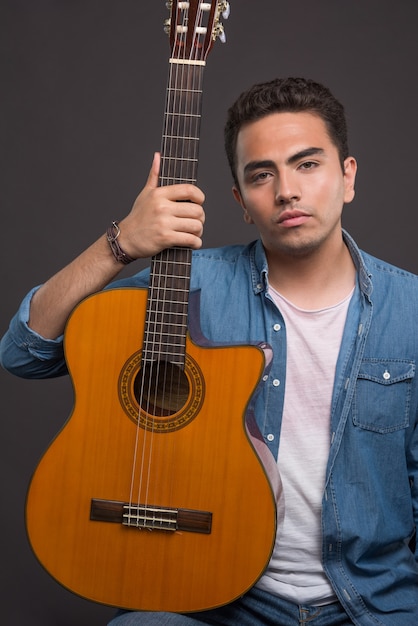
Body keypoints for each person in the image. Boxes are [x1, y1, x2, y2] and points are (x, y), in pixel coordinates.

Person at [1, 77, 417, 626]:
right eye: (261, 175)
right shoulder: (188, 286)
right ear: (242, 202)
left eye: (307, 164)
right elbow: (25, 352)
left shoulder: (409, 310)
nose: (286, 190)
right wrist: (120, 242)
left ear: (348, 177)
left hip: (372, 604)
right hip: (219, 600)